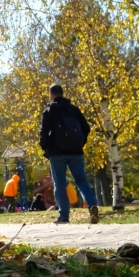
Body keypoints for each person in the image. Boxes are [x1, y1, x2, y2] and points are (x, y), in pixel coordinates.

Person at [38, 84, 100, 225]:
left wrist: (45, 148)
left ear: (51, 94)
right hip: (76, 151)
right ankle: (92, 205)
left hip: (56, 153)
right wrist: (80, 143)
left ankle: (64, 216)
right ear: (62, 93)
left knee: (59, 184)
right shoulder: (73, 109)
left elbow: (43, 132)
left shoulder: (49, 111)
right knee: (81, 180)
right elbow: (86, 128)